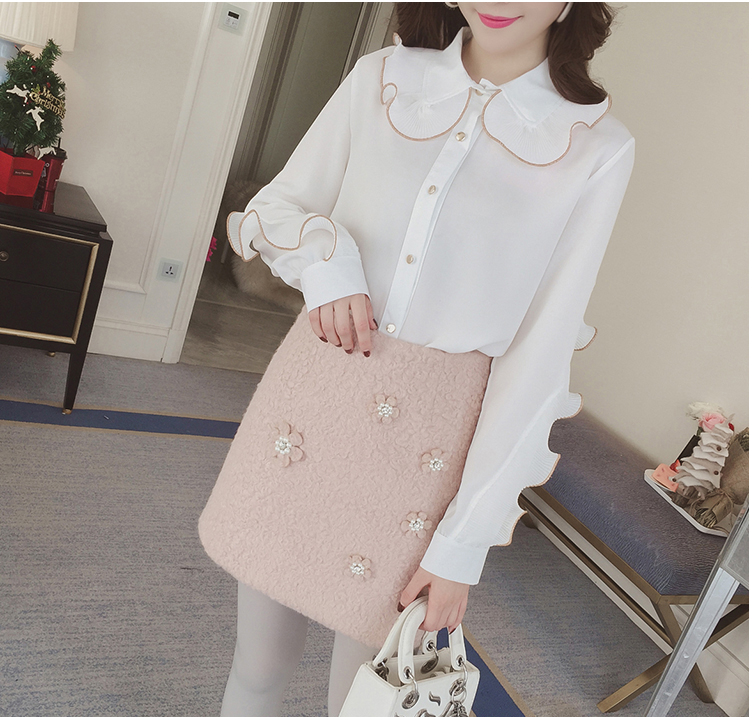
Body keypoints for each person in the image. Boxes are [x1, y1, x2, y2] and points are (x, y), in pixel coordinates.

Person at [198, 2, 636, 715]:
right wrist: (327, 263)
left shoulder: (597, 147)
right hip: (311, 407)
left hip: (430, 447)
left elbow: (540, 354)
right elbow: (275, 208)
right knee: (259, 663)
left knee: (368, 696)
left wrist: (463, 544)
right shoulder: (380, 78)